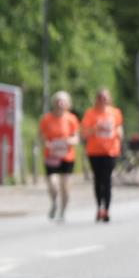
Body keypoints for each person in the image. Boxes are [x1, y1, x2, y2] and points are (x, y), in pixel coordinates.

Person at [81, 88, 124, 222]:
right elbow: (84, 134)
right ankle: (99, 206)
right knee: (98, 179)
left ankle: (106, 209)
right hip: (94, 151)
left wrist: (116, 133)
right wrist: (96, 128)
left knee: (107, 179)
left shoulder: (115, 112)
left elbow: (119, 129)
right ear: (96, 99)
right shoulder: (90, 113)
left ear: (109, 99)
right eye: (100, 97)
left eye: (105, 97)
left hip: (111, 151)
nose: (102, 100)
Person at [39, 91, 80, 223]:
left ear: (68, 104)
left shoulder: (71, 119)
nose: (60, 104)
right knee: (52, 183)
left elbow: (76, 138)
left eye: (63, 101)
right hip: (51, 156)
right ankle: (54, 203)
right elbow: (41, 137)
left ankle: (63, 211)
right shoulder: (46, 119)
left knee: (65, 186)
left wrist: (68, 141)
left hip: (67, 156)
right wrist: (48, 144)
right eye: (58, 101)